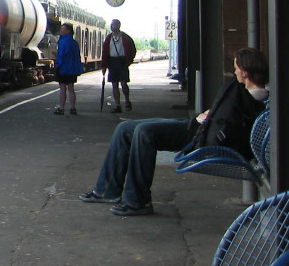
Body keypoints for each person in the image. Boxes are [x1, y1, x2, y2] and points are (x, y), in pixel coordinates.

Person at [79, 47, 268, 217]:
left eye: (236, 69)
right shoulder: (243, 95)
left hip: (196, 135)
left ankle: (138, 201)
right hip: (196, 126)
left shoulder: (249, 100)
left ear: (244, 72)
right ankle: (106, 190)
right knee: (124, 128)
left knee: (145, 132)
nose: (234, 72)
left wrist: (209, 116)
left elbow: (227, 128)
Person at [101, 19, 136, 112]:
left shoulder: (125, 38)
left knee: (124, 83)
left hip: (122, 61)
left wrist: (129, 61)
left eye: (115, 25)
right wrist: (104, 65)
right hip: (112, 62)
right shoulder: (108, 38)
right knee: (114, 84)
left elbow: (132, 50)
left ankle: (127, 100)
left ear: (119, 26)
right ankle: (118, 105)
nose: (113, 26)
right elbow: (104, 52)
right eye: (112, 25)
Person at [54, 23, 83, 115]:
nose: (61, 30)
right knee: (71, 88)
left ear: (68, 30)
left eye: (63, 29)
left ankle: (61, 108)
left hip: (63, 68)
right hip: (72, 69)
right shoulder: (74, 43)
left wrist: (57, 64)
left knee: (62, 88)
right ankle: (73, 108)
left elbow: (61, 55)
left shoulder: (63, 41)